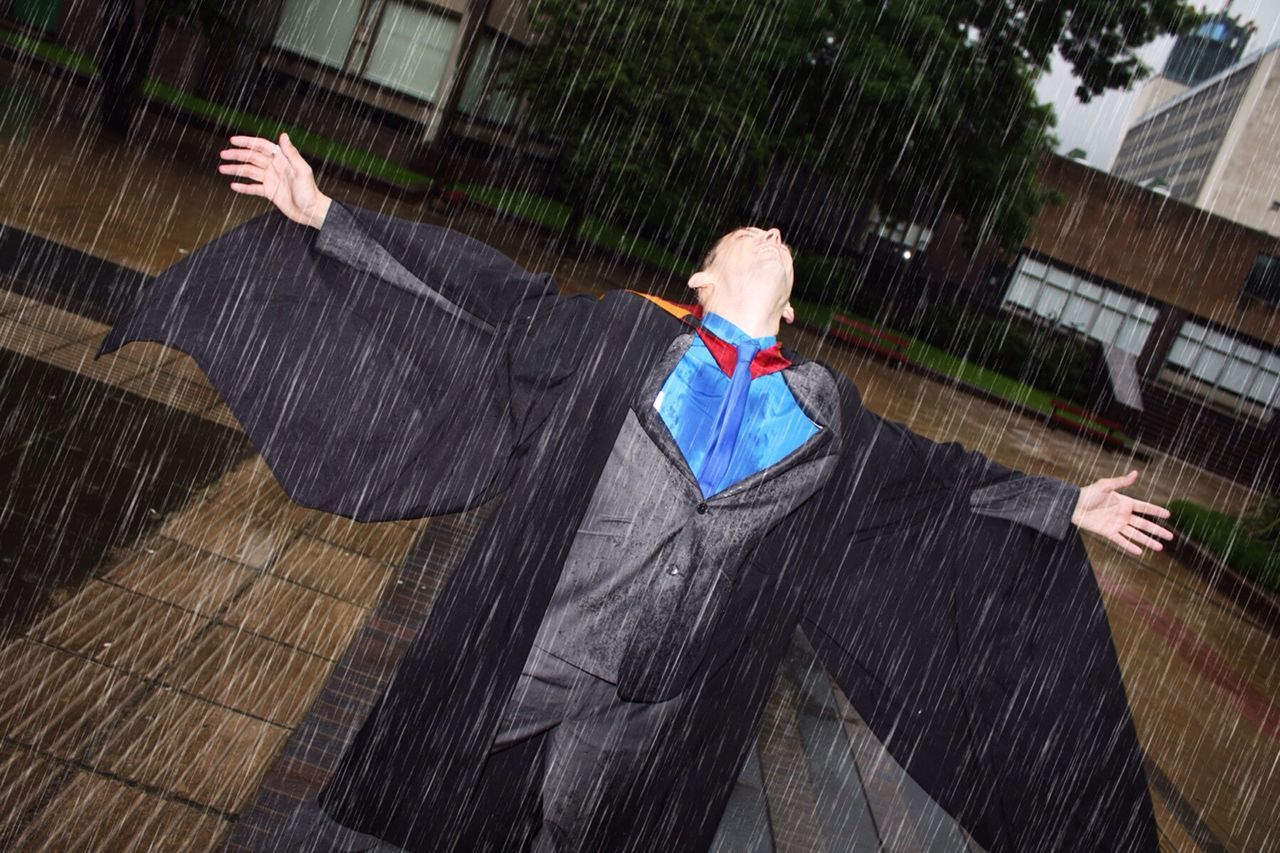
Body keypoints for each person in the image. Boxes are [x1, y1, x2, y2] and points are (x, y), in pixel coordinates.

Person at [98, 132, 1173, 852]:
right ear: (702, 280)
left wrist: (1059, 502)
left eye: (782, 248)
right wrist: (324, 211)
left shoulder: (827, 417)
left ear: (788, 309)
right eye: (744, 237)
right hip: (517, 672)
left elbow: (932, 486)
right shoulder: (618, 336)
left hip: (648, 743)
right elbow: (477, 299)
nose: (770, 236)